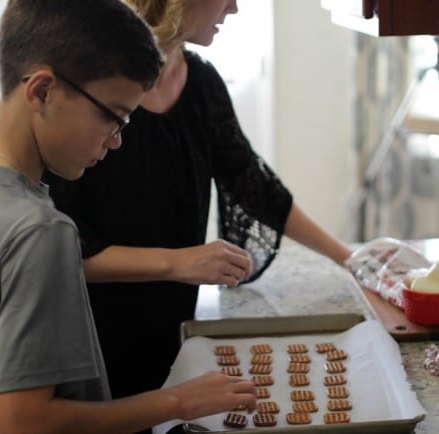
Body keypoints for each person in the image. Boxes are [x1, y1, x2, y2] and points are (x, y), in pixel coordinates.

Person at [0, 1, 255, 433]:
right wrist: (177, 400)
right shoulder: (41, 232)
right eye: (112, 116)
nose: (116, 141)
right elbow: (25, 423)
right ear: (42, 91)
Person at [45, 0, 352, 408]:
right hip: (95, 342)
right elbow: (63, 253)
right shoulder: (90, 85)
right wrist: (179, 262)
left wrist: (350, 258)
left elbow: (255, 187)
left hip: (171, 331)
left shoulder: (202, 83)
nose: (236, 8)